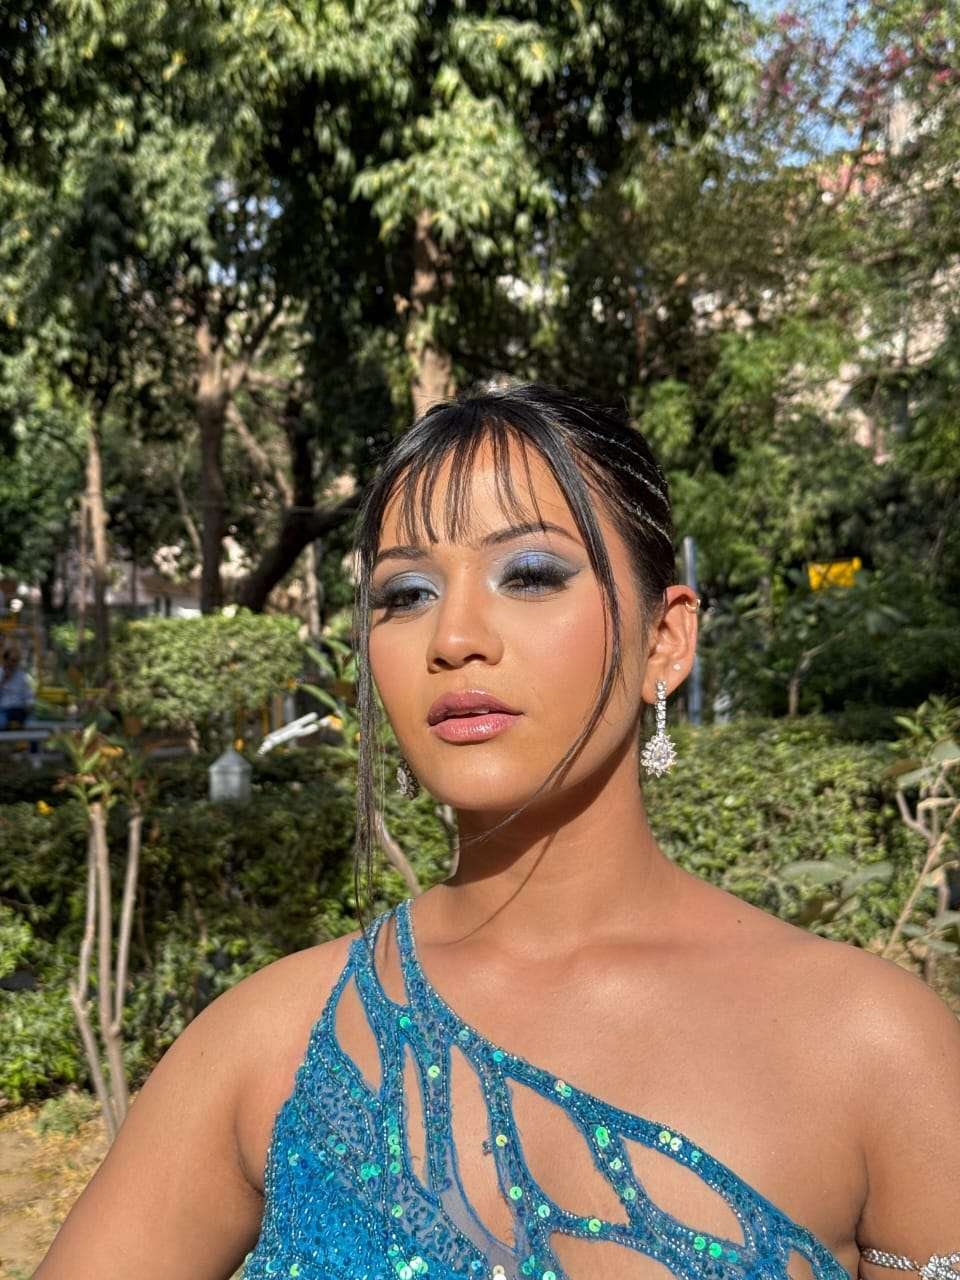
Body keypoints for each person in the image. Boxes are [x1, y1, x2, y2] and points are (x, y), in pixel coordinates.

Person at [34, 384, 960, 1280]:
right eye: (406, 593)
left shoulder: (872, 1047)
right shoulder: (268, 1048)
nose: (454, 637)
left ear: (666, 640)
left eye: (530, 575)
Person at [0, 646, 35, 729]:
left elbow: (28, 694)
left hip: (19, 708)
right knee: (1, 723)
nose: (15, 664)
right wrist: (4, 680)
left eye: (17, 661)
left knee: (33, 724)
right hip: (4, 708)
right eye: (13, 660)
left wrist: (29, 704)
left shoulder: (22, 676)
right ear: (5, 660)